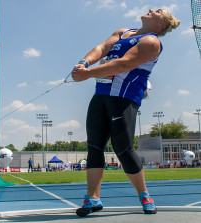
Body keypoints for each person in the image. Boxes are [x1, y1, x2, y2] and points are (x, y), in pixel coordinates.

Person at [72, 9, 180, 217]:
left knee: (123, 148)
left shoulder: (152, 42)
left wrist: (86, 75)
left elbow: (123, 64)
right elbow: (103, 48)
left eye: (157, 11)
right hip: (101, 95)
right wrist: (84, 63)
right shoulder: (122, 32)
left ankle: (144, 195)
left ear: (162, 24)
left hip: (124, 99)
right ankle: (92, 198)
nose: (151, 10)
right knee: (94, 147)